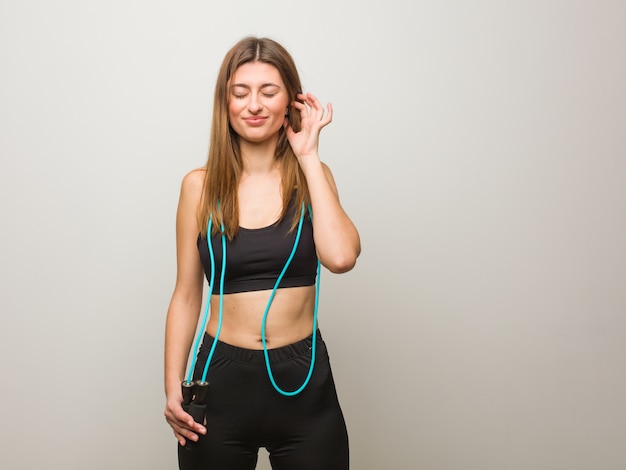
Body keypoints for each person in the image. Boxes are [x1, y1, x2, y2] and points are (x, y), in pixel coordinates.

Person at [163, 36, 360, 470]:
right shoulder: (198, 187)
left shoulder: (313, 174)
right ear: (225, 102)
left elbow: (342, 257)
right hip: (221, 377)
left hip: (303, 378)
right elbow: (186, 295)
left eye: (268, 92)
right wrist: (172, 386)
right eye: (240, 93)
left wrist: (308, 157)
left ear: (291, 100)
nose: (254, 105)